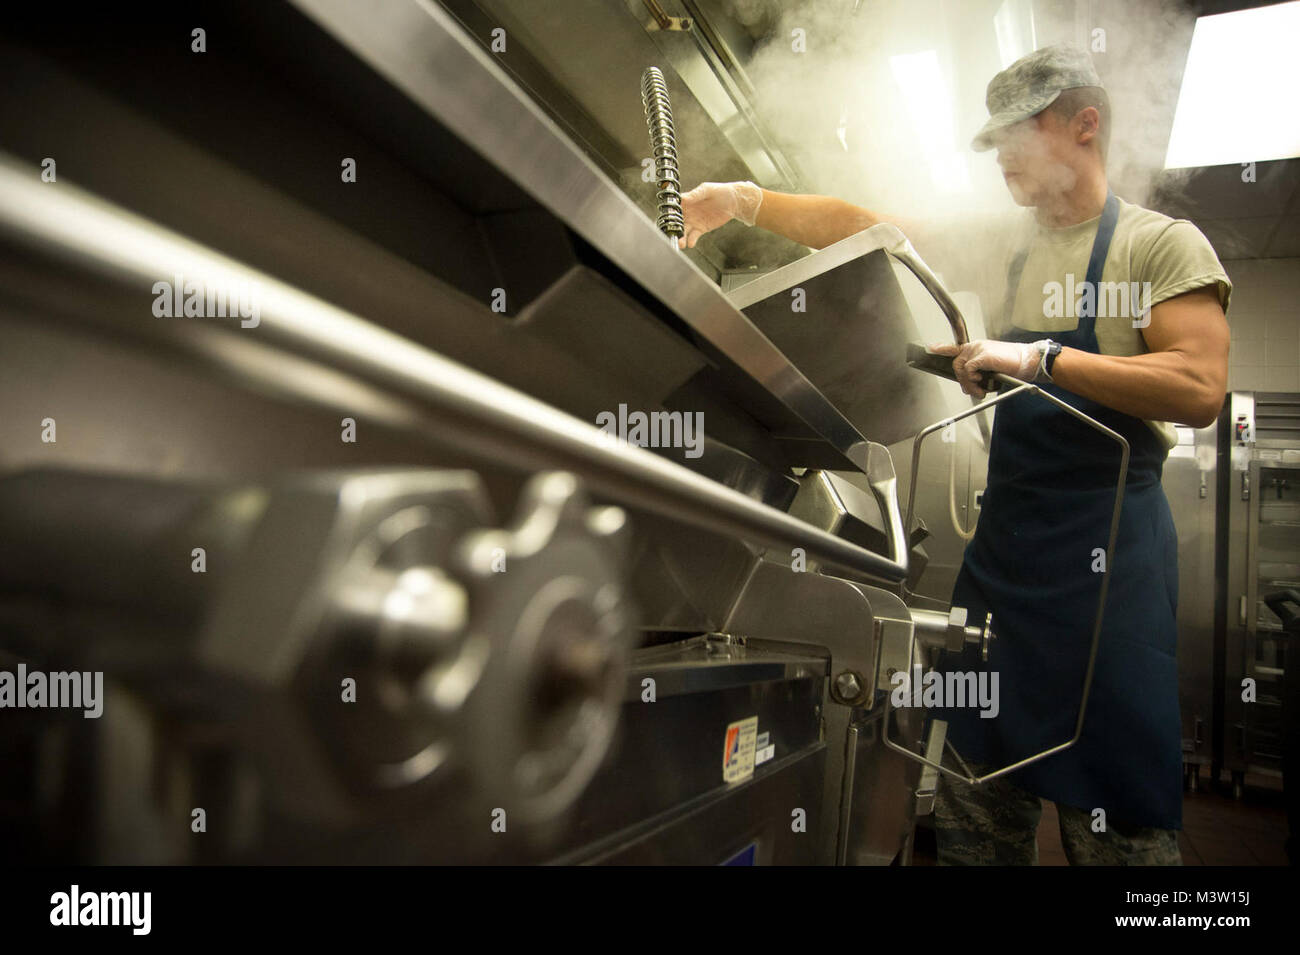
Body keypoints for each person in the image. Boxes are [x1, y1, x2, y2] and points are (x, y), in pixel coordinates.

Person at [677, 45, 1231, 865]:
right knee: (974, 806)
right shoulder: (1005, 245)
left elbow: (1197, 383)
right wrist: (744, 200)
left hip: (1110, 584)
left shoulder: (1159, 245)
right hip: (1005, 571)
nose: (1002, 154)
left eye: (1019, 131)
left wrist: (1036, 358)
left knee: (1121, 830)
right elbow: (873, 230)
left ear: (1086, 125)